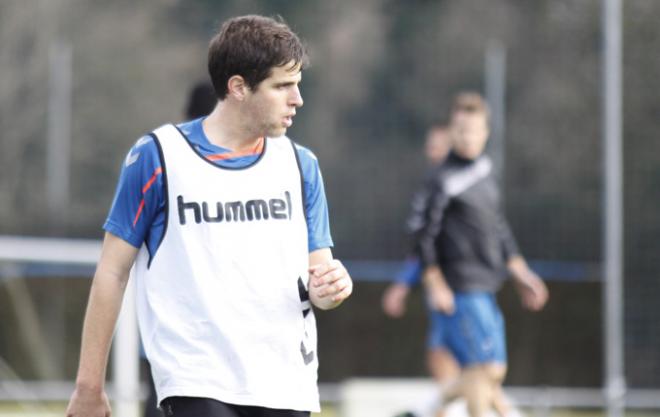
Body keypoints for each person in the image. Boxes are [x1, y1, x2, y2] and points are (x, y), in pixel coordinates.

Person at [66, 14, 353, 417]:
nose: (297, 99)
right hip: (195, 379)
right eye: (282, 86)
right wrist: (89, 386)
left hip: (287, 383)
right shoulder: (158, 157)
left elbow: (319, 276)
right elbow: (112, 272)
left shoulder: (301, 165)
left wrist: (332, 289)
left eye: (298, 85)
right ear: (238, 87)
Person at [413, 92, 548, 417]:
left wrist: (521, 273)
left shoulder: (486, 171)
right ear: (451, 132)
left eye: (472, 129)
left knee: (492, 371)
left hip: (488, 286)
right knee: (483, 368)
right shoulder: (441, 179)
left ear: (485, 132)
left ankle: (433, 405)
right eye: (459, 129)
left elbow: (499, 228)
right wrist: (435, 282)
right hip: (460, 288)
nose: (466, 136)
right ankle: (438, 405)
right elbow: (423, 235)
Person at [382, 125, 461, 391]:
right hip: (438, 283)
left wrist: (403, 286)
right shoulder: (431, 186)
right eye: (430, 145)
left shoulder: (459, 188)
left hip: (459, 286)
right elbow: (422, 244)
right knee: (443, 357)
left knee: (470, 364)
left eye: (439, 145)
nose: (432, 151)